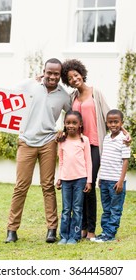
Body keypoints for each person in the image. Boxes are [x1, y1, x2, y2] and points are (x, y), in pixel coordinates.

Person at [60, 59, 130, 240]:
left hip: (94, 145)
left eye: (76, 75)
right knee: (80, 186)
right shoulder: (71, 97)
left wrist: (125, 131)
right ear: (68, 82)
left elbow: (110, 115)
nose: (74, 79)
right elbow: (68, 120)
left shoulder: (95, 93)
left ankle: (90, 229)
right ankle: (81, 227)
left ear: (82, 74)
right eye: (70, 78)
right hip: (77, 145)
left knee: (88, 187)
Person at [5, 58, 71, 243]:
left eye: (56, 73)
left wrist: (63, 131)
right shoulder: (29, 85)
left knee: (48, 186)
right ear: (44, 71)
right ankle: (12, 229)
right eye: (49, 72)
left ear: (60, 75)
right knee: (21, 186)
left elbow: (73, 116)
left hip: (48, 142)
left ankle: (51, 229)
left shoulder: (64, 96)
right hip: (26, 141)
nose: (52, 76)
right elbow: (1, 97)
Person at [91, 109, 131, 242]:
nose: (113, 125)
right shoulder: (106, 138)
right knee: (106, 208)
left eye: (116, 122)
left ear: (121, 123)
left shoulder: (124, 140)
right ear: (106, 123)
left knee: (115, 209)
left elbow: (126, 161)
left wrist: (120, 181)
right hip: (105, 180)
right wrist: (101, 178)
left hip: (116, 182)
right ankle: (104, 232)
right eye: (110, 122)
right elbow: (105, 160)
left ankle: (110, 234)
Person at [56, 110, 92, 245]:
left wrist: (89, 180)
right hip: (65, 180)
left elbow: (89, 161)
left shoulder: (84, 140)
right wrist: (59, 178)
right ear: (64, 124)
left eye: (74, 123)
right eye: (68, 123)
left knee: (77, 209)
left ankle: (74, 236)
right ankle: (64, 236)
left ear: (80, 124)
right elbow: (61, 161)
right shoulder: (62, 141)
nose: (71, 125)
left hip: (80, 179)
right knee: (66, 209)